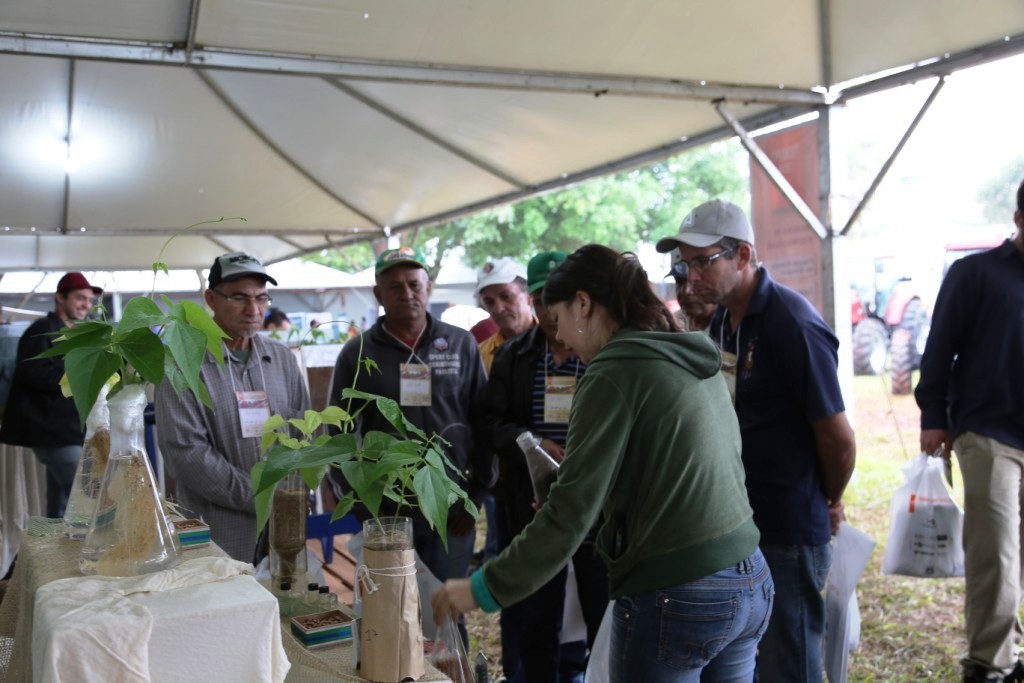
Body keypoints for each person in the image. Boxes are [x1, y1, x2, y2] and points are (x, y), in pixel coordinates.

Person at [433, 244, 773, 682]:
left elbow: (568, 516)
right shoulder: (685, 353)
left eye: (557, 322)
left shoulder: (613, 371)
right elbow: (687, 468)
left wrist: (482, 588)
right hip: (748, 576)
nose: (566, 344)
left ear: (583, 304)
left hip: (678, 590)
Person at [656, 199, 856, 683]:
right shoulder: (726, 322)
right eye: (686, 263)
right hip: (743, 522)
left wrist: (827, 496)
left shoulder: (792, 323)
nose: (692, 276)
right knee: (757, 659)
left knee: (792, 660)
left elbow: (839, 438)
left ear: (742, 256)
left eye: (703, 261)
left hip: (789, 525)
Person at [327, 246, 491, 588]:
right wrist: (364, 508)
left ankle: (448, 645)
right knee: (393, 606)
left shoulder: (460, 344)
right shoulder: (357, 353)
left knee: (448, 607)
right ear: (378, 294)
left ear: (428, 287)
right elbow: (336, 436)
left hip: (452, 506)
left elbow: (484, 420)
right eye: (395, 286)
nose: (407, 293)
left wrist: (474, 497)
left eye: (414, 284)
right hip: (388, 511)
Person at [915, 178, 1024, 683]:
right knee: (997, 553)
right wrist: (933, 417)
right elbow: (939, 349)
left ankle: (1013, 650)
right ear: (1020, 220)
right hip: (987, 432)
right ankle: (989, 664)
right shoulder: (975, 274)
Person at [482, 250, 608, 682]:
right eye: (540, 301)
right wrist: (535, 445)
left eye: (558, 301)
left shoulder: (600, 353)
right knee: (537, 616)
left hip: (595, 506)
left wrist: (583, 449)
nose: (550, 313)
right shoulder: (514, 355)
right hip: (531, 504)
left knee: (600, 611)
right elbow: (493, 423)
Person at [155, 251, 309, 563]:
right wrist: (263, 496)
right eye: (239, 297)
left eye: (261, 298)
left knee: (286, 602)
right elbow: (186, 453)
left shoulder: (282, 360)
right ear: (211, 299)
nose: (253, 309)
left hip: (285, 529)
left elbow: (306, 433)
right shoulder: (183, 363)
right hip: (217, 535)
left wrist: (291, 492)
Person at [0, 272, 102, 518]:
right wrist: (79, 378)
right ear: (60, 298)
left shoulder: (77, 333)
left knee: (62, 501)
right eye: (80, 298)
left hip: (70, 430)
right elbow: (31, 372)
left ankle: (53, 551)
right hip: (52, 432)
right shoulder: (42, 331)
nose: (86, 305)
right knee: (88, 494)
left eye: (89, 300)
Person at [475, 257, 535, 372]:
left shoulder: (557, 345)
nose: (498, 309)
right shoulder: (480, 356)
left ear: (529, 296)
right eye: (489, 302)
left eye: (506, 296)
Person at [667, 249, 717, 332]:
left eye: (696, 282)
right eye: (680, 282)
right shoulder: (672, 325)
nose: (686, 291)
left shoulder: (729, 328)